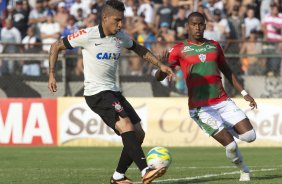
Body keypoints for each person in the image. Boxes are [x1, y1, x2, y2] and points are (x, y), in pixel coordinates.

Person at [48, 1, 174, 184]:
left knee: (138, 134)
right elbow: (55, 46)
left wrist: (159, 64)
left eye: (122, 20)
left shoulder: (121, 36)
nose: (120, 24)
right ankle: (145, 170)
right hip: (97, 93)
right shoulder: (87, 34)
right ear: (105, 18)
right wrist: (52, 74)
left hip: (114, 92)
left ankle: (118, 177)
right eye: (117, 20)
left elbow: (139, 49)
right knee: (126, 126)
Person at [155, 12, 257, 182]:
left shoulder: (214, 45)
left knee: (250, 136)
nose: (197, 28)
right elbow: (159, 77)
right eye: (193, 24)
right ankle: (244, 170)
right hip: (201, 108)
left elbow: (227, 70)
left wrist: (244, 93)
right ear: (188, 26)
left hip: (223, 101)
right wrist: (162, 66)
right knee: (230, 145)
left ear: (205, 25)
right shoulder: (179, 49)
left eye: (200, 24)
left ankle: (224, 126)